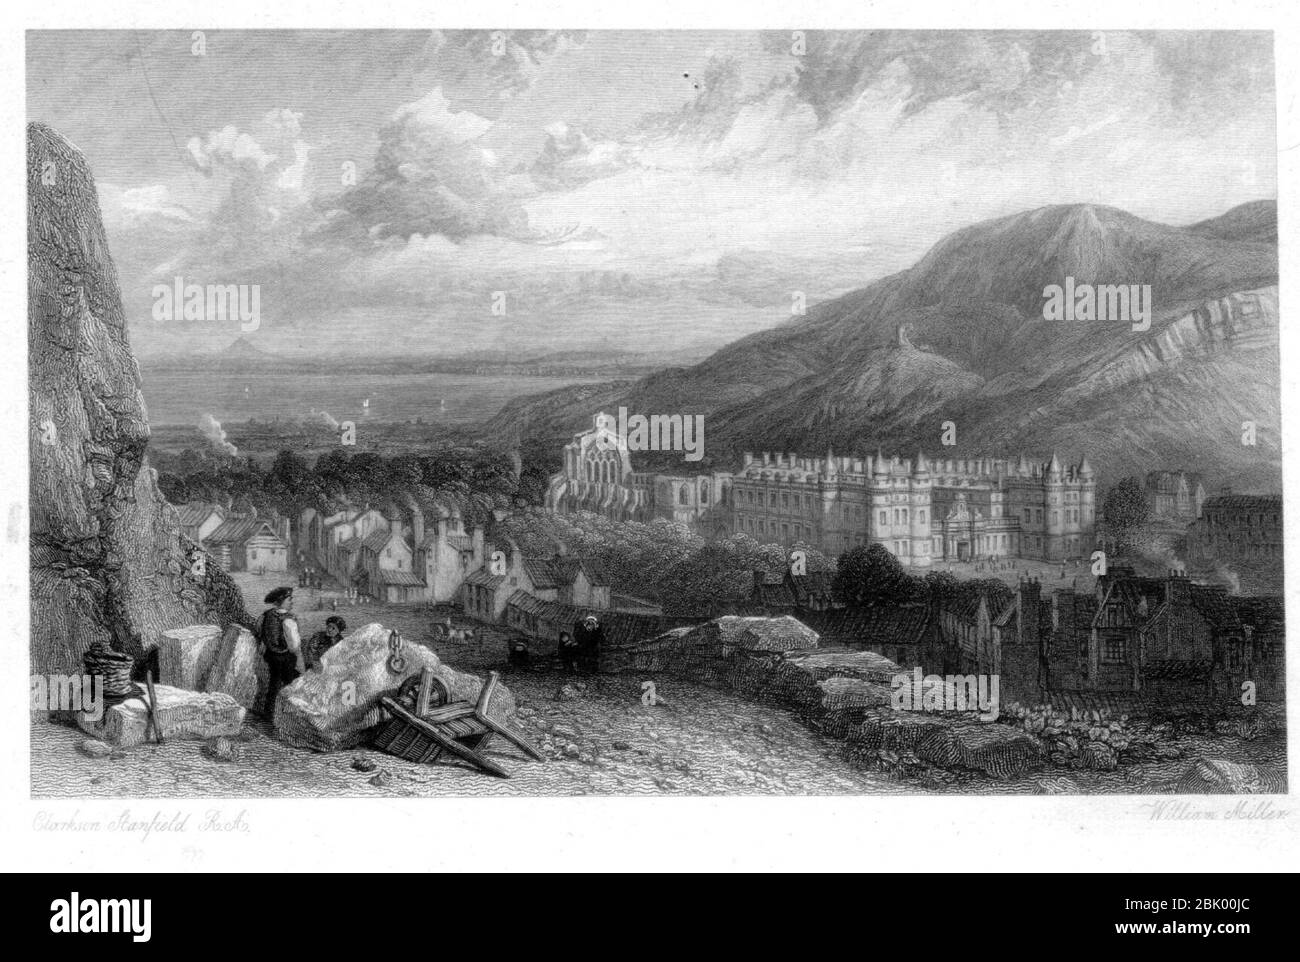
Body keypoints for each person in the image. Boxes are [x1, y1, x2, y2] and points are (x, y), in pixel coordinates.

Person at [257, 586, 303, 715]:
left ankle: (269, 713)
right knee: (291, 684)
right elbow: (294, 646)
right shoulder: (289, 619)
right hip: (286, 658)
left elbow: (259, 630)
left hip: (271, 656)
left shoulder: (265, 615)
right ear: (281, 601)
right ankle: (289, 714)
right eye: (290, 599)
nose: (292, 602)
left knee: (274, 684)